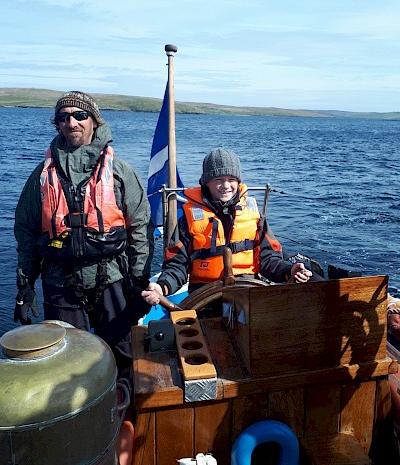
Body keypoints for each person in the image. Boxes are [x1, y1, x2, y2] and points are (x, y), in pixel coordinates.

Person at [14, 91, 154, 375]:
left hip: (113, 281)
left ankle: (125, 411)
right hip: (61, 285)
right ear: (57, 124)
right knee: (67, 365)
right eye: (64, 118)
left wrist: (139, 281)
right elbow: (26, 233)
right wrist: (25, 287)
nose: (72, 122)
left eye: (80, 115)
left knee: (124, 357)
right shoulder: (42, 176)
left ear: (94, 122)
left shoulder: (120, 172)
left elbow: (141, 228)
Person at [142, 147, 321, 311]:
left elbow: (268, 259)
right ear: (206, 183)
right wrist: (162, 286)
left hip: (248, 294)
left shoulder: (254, 215)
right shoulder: (188, 219)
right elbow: (177, 265)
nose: (226, 186)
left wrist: (289, 271)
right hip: (205, 299)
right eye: (218, 179)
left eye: (231, 179)